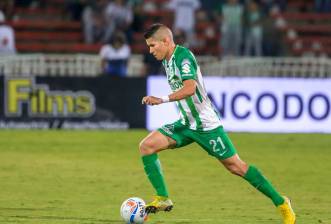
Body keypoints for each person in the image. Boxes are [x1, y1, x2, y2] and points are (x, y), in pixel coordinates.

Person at [140, 23, 296, 224]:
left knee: (236, 167)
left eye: (153, 46)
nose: (150, 51)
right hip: (186, 123)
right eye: (149, 47)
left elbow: (190, 88)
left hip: (206, 126)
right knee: (147, 146)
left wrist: (161, 99)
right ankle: (162, 198)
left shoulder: (183, 57)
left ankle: (281, 202)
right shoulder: (167, 60)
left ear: (166, 41)